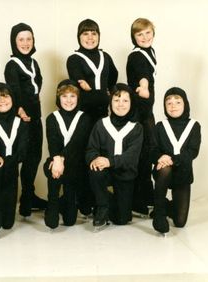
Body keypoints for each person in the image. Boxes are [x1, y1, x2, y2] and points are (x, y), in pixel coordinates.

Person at [66, 18, 118, 215]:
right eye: (85, 34)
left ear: (98, 36)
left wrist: (107, 93)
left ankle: (100, 200)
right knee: (83, 156)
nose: (90, 37)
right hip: (83, 117)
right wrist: (100, 95)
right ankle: (84, 200)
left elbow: (112, 79)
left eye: (93, 33)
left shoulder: (106, 57)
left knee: (101, 156)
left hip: (103, 117)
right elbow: (81, 89)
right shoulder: (74, 59)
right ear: (79, 37)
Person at [86, 83, 143, 229]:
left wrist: (109, 161)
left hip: (125, 175)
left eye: (125, 100)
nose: (120, 104)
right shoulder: (101, 124)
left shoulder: (136, 128)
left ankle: (107, 200)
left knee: (121, 219)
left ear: (131, 103)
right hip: (105, 174)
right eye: (116, 100)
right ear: (110, 102)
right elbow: (91, 149)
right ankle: (102, 206)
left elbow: (131, 157)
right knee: (95, 169)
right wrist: (94, 158)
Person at [4, 22, 47, 217]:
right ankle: (15, 200)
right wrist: (20, 111)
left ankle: (28, 197)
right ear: (14, 42)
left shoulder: (33, 62)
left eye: (29, 39)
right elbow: (13, 90)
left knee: (34, 157)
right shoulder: (12, 65)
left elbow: (37, 83)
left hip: (35, 116)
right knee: (20, 158)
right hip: (22, 118)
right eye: (21, 39)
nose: (25, 43)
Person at [151, 87, 201, 234]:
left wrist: (172, 159)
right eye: (169, 103)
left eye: (178, 102)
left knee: (180, 222)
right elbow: (152, 149)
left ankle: (163, 204)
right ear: (164, 106)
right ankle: (159, 214)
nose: (173, 106)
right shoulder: (160, 126)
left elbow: (192, 152)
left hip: (183, 174)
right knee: (165, 169)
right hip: (163, 173)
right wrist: (160, 157)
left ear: (185, 104)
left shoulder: (194, 126)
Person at [43, 79, 92, 229]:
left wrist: (59, 159)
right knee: (52, 167)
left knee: (70, 220)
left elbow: (76, 144)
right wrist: (56, 159)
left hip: (76, 166)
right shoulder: (52, 118)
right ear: (58, 98)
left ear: (78, 98)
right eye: (64, 96)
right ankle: (52, 201)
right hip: (56, 165)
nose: (69, 100)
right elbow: (53, 143)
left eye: (72, 96)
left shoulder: (85, 118)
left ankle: (65, 201)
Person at [0, 83, 28, 236]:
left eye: (5, 96)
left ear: (12, 99)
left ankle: (3, 210)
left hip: (12, 175)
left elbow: (22, 153)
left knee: (8, 224)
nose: (2, 101)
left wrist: (6, 161)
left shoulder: (21, 124)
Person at [126, 18, 157, 216]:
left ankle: (146, 194)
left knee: (147, 153)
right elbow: (143, 74)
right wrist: (144, 87)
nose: (144, 37)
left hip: (146, 110)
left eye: (148, 33)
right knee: (141, 155)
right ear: (134, 37)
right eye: (140, 34)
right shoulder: (137, 56)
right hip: (138, 112)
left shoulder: (149, 51)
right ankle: (138, 198)